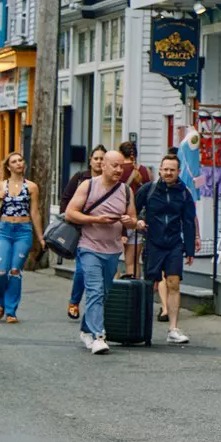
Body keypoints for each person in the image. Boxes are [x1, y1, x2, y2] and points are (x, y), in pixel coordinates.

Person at [65, 147, 136, 355]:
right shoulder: (88, 185)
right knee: (95, 290)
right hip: (89, 246)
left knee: (103, 293)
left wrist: (130, 222)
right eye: (114, 165)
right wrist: (95, 220)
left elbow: (132, 221)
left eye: (121, 167)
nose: (118, 170)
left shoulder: (125, 190)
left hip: (113, 249)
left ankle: (87, 330)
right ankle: (98, 336)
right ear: (102, 165)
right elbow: (70, 213)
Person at [0, 152, 43, 324]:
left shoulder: (32, 187)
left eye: (20, 160)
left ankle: (11, 311)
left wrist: (41, 237)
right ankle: (1, 303)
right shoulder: (0, 186)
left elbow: (34, 212)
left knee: (15, 271)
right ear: (8, 166)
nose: (19, 163)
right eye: (14, 161)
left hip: (23, 231)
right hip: (4, 231)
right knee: (0, 273)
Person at [138, 153, 198, 346]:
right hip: (153, 243)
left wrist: (189, 249)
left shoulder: (184, 193)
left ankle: (173, 329)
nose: (168, 173)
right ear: (160, 169)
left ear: (178, 172)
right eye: (165, 169)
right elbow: (132, 209)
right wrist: (136, 222)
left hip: (174, 244)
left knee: (173, 283)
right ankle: (142, 328)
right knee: (149, 285)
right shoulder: (148, 190)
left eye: (172, 170)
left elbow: (188, 221)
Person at [59, 147, 106, 320]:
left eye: (102, 158)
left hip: (101, 231)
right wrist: (68, 219)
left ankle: (96, 306)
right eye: (96, 158)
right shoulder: (80, 179)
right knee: (81, 269)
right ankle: (74, 301)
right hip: (79, 229)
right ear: (90, 160)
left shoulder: (110, 182)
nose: (99, 162)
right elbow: (66, 198)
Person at [118, 140, 146, 279]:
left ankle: (113, 294)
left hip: (119, 217)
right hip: (138, 218)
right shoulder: (143, 170)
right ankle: (134, 293)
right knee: (133, 262)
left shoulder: (117, 170)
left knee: (112, 260)